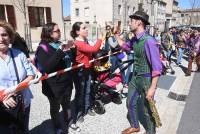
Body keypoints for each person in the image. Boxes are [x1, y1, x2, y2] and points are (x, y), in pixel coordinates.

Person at [114, 11, 162, 134]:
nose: (129, 23)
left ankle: (151, 131)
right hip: (135, 77)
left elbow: (157, 67)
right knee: (129, 102)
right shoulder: (135, 39)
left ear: (139, 22)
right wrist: (116, 35)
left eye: (131, 21)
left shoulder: (149, 41)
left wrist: (152, 87)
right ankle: (135, 126)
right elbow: (125, 46)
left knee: (147, 109)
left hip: (146, 79)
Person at [36, 22, 75, 134]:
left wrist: (71, 49)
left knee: (67, 104)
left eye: (59, 30)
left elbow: (67, 61)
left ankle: (69, 121)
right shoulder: (42, 48)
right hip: (54, 87)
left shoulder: (59, 43)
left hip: (66, 82)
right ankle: (57, 126)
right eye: (57, 31)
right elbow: (47, 67)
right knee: (55, 108)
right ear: (49, 33)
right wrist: (60, 52)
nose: (60, 32)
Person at [0, 21, 34, 133]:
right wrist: (3, 96)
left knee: (23, 129)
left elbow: (31, 75)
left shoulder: (19, 54)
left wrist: (15, 90)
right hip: (3, 107)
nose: (1, 38)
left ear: (10, 37)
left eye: (4, 35)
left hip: (23, 101)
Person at [70, 22, 105, 131]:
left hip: (87, 69)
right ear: (77, 32)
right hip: (79, 71)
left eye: (86, 28)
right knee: (80, 92)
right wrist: (100, 38)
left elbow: (91, 54)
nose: (86, 30)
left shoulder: (85, 41)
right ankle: (80, 113)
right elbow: (93, 49)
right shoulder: (77, 43)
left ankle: (87, 108)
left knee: (88, 90)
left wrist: (95, 60)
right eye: (83, 28)